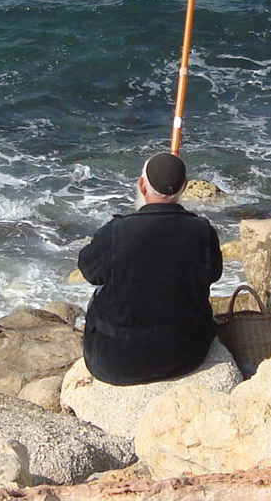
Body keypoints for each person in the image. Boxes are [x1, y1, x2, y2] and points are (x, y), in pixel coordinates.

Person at [77, 152, 224, 385]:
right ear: (184, 187)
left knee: (100, 293)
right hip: (186, 354)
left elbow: (89, 271)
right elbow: (213, 274)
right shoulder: (202, 230)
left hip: (115, 362)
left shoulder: (118, 231)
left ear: (142, 186)